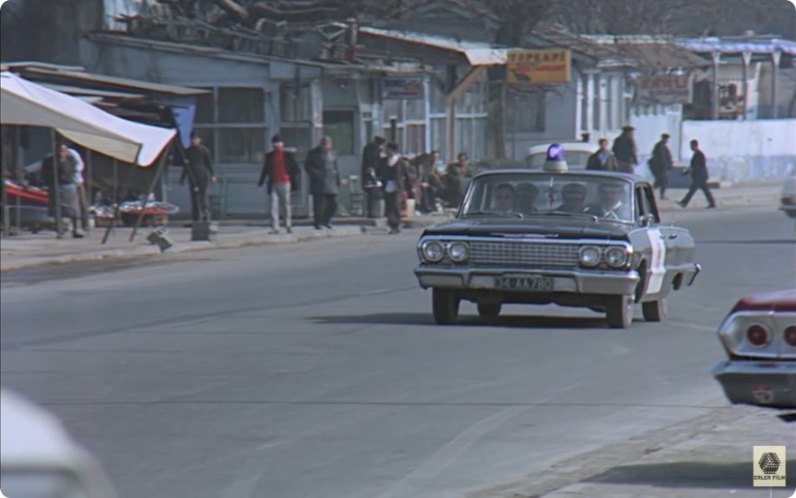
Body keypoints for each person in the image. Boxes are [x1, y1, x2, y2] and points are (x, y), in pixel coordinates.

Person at [258, 134, 300, 234]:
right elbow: (265, 169)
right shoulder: (270, 156)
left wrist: (291, 177)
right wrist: (260, 182)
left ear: (283, 144)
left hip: (285, 183)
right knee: (273, 205)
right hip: (274, 183)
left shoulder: (288, 155)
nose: (276, 145)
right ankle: (275, 227)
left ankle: (288, 225)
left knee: (286, 205)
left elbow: (296, 169)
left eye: (278, 143)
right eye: (275, 143)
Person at [41, 144, 83, 238]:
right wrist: (47, 184)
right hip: (55, 185)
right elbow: (45, 172)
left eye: (63, 151)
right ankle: (60, 231)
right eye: (59, 151)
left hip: (69, 185)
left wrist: (77, 180)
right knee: (57, 210)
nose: (61, 153)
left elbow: (75, 170)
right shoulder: (49, 160)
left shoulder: (71, 159)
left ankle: (76, 229)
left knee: (74, 210)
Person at [180, 131, 217, 223]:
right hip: (192, 176)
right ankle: (196, 217)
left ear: (199, 140)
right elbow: (186, 166)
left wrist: (212, 175)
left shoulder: (204, 150)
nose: (193, 141)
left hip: (202, 175)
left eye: (195, 139)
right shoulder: (188, 151)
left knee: (202, 196)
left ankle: (206, 215)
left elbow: (209, 163)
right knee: (194, 197)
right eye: (192, 139)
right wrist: (182, 178)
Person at [305, 136, 340, 229]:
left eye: (327, 143)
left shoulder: (333, 154)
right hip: (319, 183)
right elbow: (307, 166)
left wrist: (338, 180)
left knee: (334, 204)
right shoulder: (313, 153)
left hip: (331, 182)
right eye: (324, 143)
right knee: (319, 205)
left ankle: (327, 220)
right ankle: (318, 222)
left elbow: (336, 168)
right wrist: (316, 174)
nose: (326, 145)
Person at [376, 142, 408, 234]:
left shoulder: (400, 161)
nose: (386, 151)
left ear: (393, 150)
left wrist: (410, 187)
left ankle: (396, 223)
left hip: (397, 185)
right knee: (389, 205)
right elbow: (379, 172)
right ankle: (391, 224)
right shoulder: (383, 161)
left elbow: (406, 174)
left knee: (395, 205)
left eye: (388, 149)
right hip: (387, 184)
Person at [678, 139, 716, 209]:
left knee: (692, 190)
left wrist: (690, 170)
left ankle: (684, 203)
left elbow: (699, 165)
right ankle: (712, 203)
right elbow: (693, 166)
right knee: (705, 190)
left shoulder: (700, 154)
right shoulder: (696, 154)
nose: (690, 147)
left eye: (691, 146)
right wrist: (686, 172)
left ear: (695, 146)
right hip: (699, 176)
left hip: (700, 176)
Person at [361, 136, 385, 218]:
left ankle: (373, 211)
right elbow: (372, 162)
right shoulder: (372, 150)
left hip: (374, 173)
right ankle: (371, 212)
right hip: (371, 174)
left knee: (373, 194)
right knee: (372, 194)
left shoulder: (370, 149)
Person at [649, 133, 674, 199]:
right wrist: (666, 165)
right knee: (664, 180)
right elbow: (661, 158)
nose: (667, 140)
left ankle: (651, 192)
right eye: (666, 139)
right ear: (663, 138)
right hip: (660, 167)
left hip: (661, 167)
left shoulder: (661, 146)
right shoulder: (660, 146)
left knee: (660, 180)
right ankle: (661, 195)